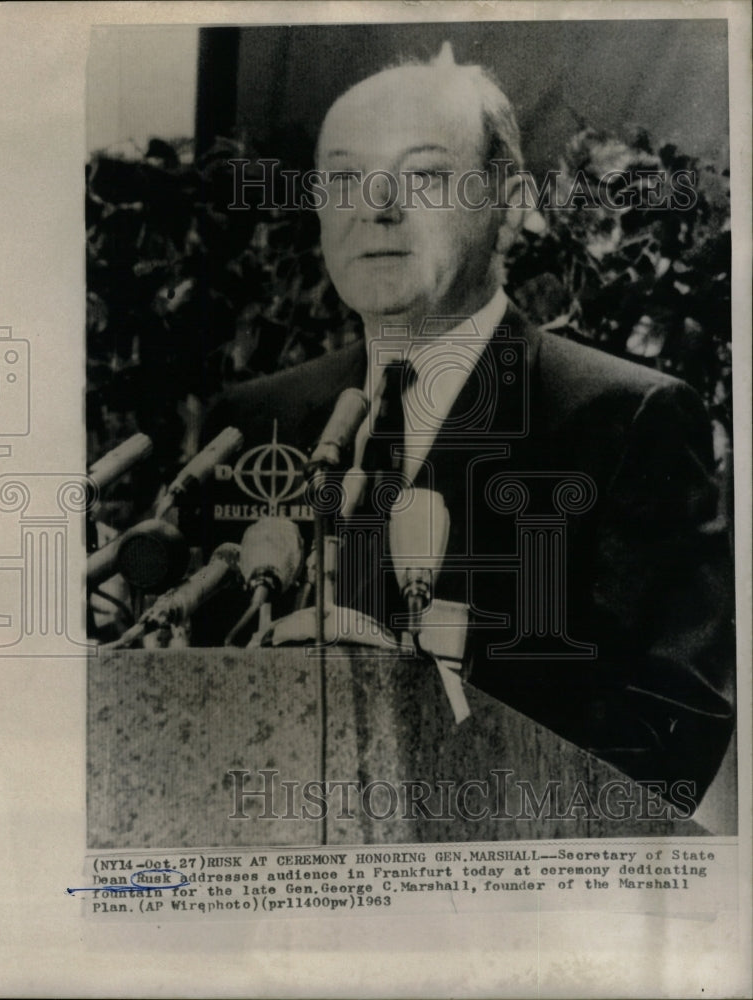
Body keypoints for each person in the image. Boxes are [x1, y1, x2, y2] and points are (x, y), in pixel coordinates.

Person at [202, 47, 735, 806]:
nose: (376, 208)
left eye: (422, 176)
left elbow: (667, 737)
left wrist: (430, 753)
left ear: (508, 203)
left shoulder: (629, 422)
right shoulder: (255, 421)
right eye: (345, 180)